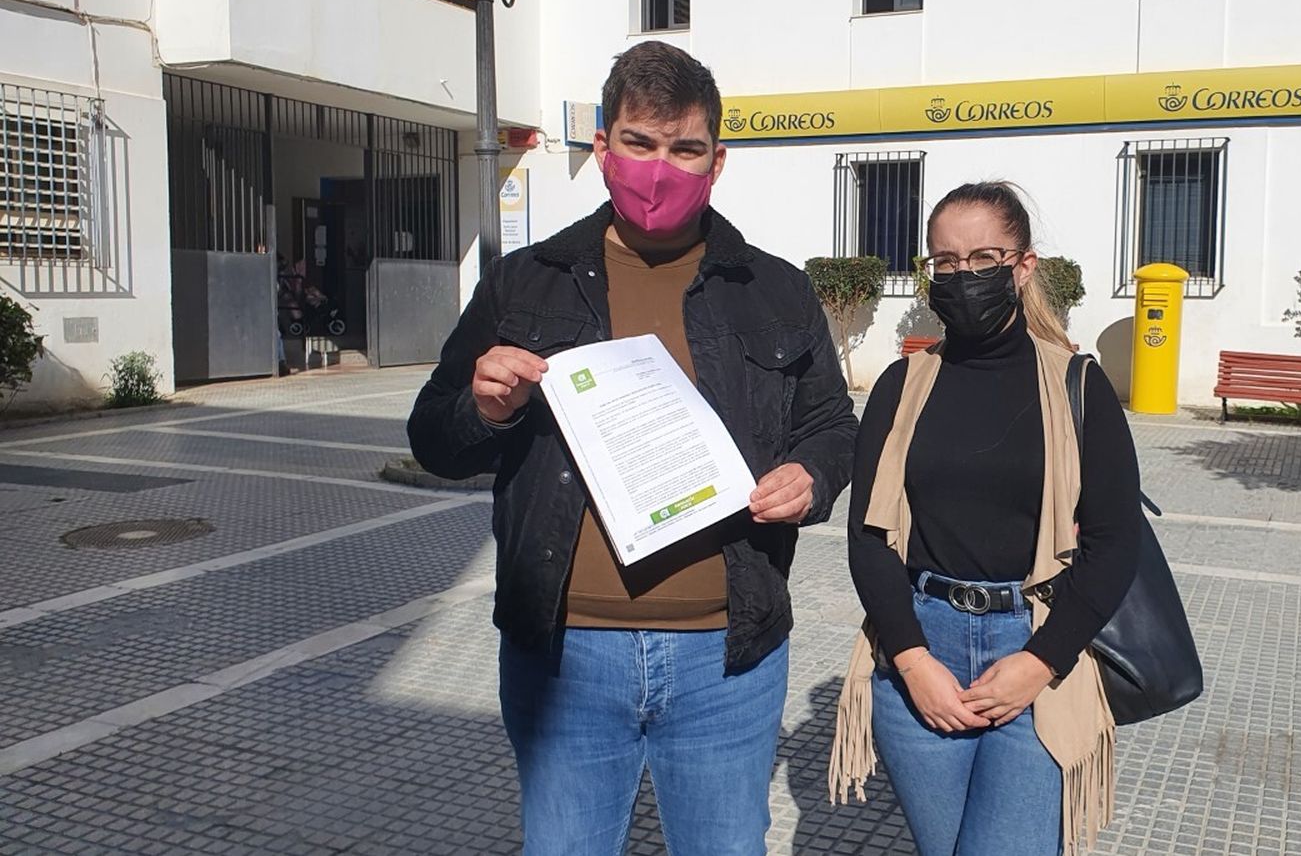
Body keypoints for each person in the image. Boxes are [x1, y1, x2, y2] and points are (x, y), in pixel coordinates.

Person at [407, 42, 858, 855]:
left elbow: (831, 423)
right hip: (566, 655)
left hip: (727, 657)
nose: (660, 167)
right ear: (604, 147)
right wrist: (484, 407)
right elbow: (434, 437)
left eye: (684, 148)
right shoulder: (526, 282)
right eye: (639, 143)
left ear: (716, 160)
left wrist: (813, 475)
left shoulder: (776, 287)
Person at [830, 182, 1143, 855]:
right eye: (946, 262)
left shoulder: (1079, 387)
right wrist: (912, 661)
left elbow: (1115, 546)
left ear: (1023, 267)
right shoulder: (901, 384)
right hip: (922, 653)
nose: (964, 276)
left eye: (984, 258)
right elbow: (867, 538)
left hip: (1033, 648)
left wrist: (1040, 662)